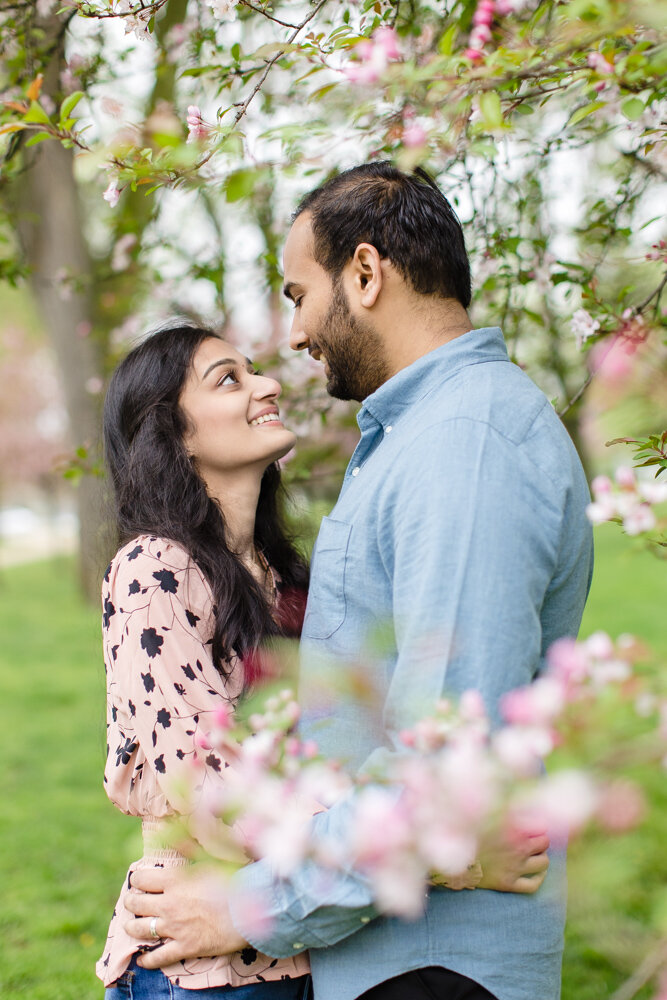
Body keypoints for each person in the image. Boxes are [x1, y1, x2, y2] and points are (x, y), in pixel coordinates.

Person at [125, 163, 594, 1000]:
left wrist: (252, 905)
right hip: (387, 950)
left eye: (300, 295)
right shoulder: (418, 439)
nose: (294, 336)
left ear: (366, 274)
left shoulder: (463, 445)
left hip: (434, 969)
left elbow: (446, 759)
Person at [97, 323, 313, 998]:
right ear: (175, 434)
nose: (268, 385)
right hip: (201, 973)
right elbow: (211, 790)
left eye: (255, 372)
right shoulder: (153, 571)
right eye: (229, 378)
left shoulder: (285, 579)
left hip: (297, 946)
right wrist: (396, 853)